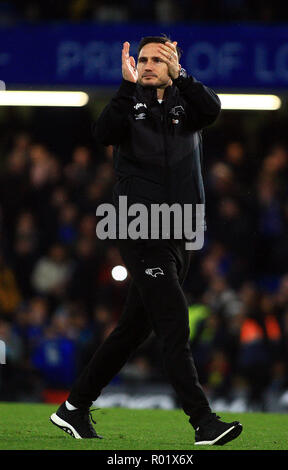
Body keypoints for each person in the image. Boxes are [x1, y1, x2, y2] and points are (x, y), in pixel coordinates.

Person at [50, 35, 243, 445]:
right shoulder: (128, 105)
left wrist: (183, 77)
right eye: (144, 59)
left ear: (174, 62)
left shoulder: (187, 103)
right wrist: (125, 87)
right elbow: (102, 132)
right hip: (138, 228)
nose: (150, 64)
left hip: (179, 230)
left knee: (132, 331)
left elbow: (213, 109)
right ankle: (203, 422)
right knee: (174, 322)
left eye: (160, 58)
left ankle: (73, 408)